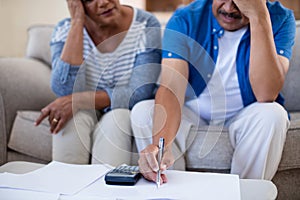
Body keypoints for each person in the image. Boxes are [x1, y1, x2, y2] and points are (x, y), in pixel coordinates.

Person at [131, 0, 296, 184]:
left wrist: (259, 17)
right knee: (144, 111)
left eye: (238, 2)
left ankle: (244, 193)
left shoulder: (281, 18)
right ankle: (171, 192)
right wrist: (161, 145)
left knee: (273, 114)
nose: (229, 9)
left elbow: (267, 94)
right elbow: (171, 87)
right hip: (194, 112)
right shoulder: (185, 18)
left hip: (245, 114)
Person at [35, 0, 161, 166]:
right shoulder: (64, 29)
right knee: (70, 118)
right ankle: (63, 187)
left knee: (116, 119)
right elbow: (65, 90)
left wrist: (78, 100)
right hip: (84, 110)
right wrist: (77, 24)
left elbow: (139, 92)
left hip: (122, 109)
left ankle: (105, 190)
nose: (103, 2)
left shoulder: (145, 24)